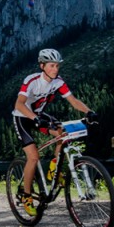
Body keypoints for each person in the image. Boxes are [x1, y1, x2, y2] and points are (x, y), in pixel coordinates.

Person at [12, 48, 98, 214]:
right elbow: (19, 104)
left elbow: (73, 101)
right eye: (52, 65)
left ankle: (54, 168)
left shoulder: (58, 82)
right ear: (42, 65)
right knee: (33, 157)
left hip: (38, 116)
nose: (55, 69)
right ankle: (27, 196)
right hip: (22, 117)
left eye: (57, 66)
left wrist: (89, 112)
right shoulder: (32, 80)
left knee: (62, 132)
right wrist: (34, 118)